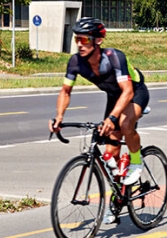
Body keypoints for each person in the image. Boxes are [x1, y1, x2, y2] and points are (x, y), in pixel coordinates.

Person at [49, 17, 149, 224]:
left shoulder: (114, 58)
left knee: (124, 123)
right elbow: (65, 91)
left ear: (98, 41)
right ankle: (117, 198)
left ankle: (137, 162)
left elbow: (127, 91)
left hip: (134, 92)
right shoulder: (76, 62)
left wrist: (112, 118)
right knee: (109, 153)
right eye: (77, 39)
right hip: (114, 96)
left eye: (84, 40)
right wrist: (59, 117)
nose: (79, 44)